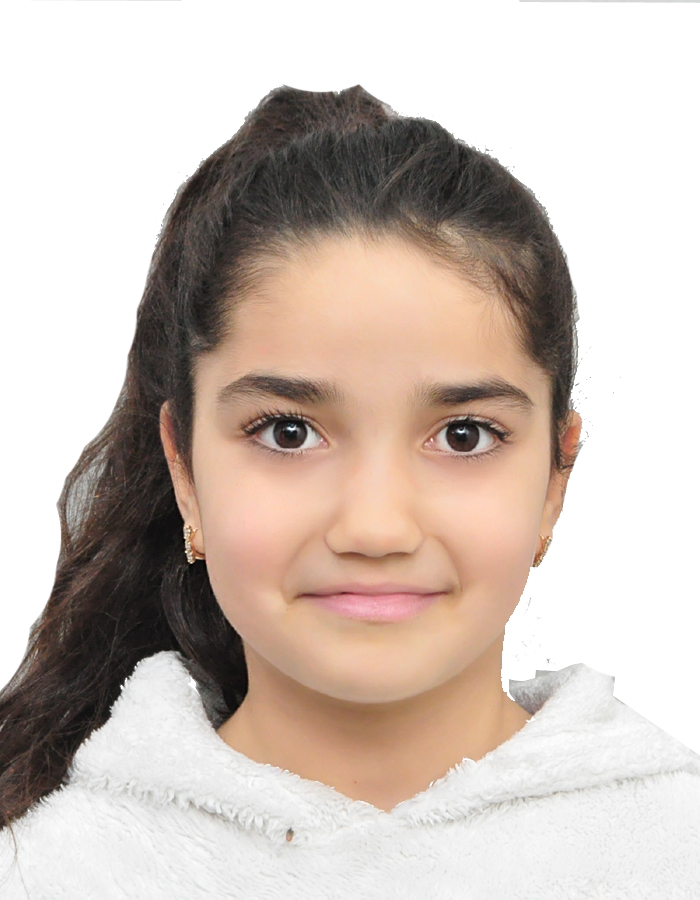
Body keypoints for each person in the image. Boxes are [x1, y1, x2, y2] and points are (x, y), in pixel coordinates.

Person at [0, 85, 698, 899]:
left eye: (463, 435)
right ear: (184, 471)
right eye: (288, 432)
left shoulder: (674, 856)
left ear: (555, 478)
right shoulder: (45, 872)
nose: (375, 527)